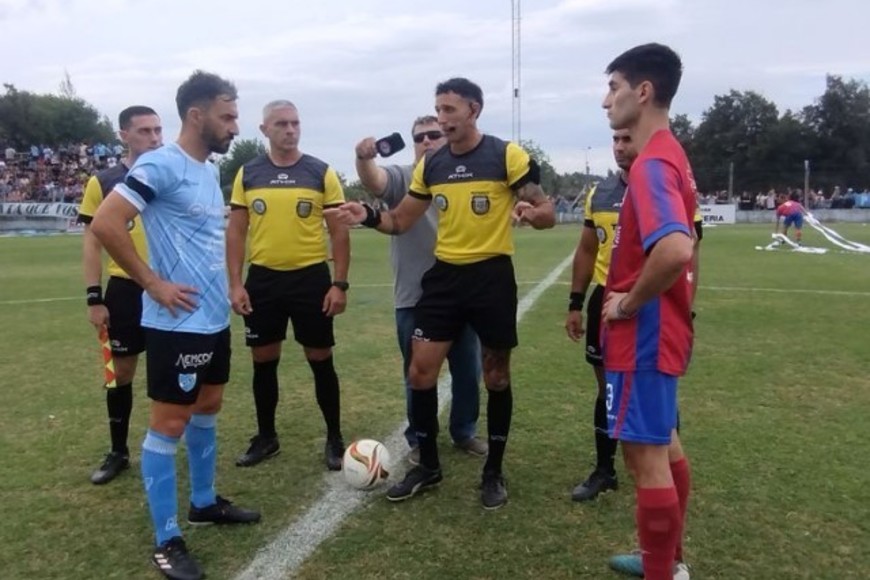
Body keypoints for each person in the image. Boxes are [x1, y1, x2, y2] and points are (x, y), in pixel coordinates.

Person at [327, 77, 555, 510]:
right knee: (420, 372)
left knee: (496, 376)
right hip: (444, 278)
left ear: (474, 109)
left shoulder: (506, 155)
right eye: (439, 109)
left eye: (450, 110)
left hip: (491, 276)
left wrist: (531, 212)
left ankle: (493, 472)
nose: (443, 119)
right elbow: (400, 221)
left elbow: (543, 211)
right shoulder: (432, 166)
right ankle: (428, 466)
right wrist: (368, 215)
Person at [91, 70, 260, 580]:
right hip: (175, 325)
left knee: (208, 406)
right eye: (227, 116)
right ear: (197, 114)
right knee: (168, 426)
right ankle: (166, 539)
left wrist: (232, 287)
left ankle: (203, 502)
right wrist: (152, 283)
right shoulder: (161, 164)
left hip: (212, 320)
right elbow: (104, 222)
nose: (234, 126)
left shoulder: (207, 171)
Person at [599, 44, 697, 580]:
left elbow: (677, 248)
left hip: (643, 335)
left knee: (645, 460)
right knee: (665, 444)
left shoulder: (652, 164)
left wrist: (628, 303)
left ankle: (662, 569)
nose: (605, 100)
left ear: (642, 92)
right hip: (664, 331)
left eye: (612, 87)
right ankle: (668, 559)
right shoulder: (670, 152)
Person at [566, 130, 703, 503]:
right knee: (606, 390)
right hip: (604, 300)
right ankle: (604, 469)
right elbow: (586, 249)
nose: (620, 146)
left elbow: (687, 250)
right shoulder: (601, 194)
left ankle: (658, 467)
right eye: (615, 140)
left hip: (647, 305)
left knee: (655, 400)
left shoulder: (661, 180)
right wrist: (576, 302)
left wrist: (684, 302)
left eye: (627, 138)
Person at [354, 116, 488, 465]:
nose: (427, 141)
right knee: (415, 372)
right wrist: (364, 158)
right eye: (419, 137)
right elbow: (375, 180)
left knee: (468, 370)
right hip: (414, 294)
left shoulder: (464, 176)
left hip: (464, 292)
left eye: (435, 135)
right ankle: (419, 436)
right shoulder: (403, 177)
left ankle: (464, 431)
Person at [228, 100, 350, 471]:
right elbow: (236, 231)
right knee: (263, 361)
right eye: (281, 123)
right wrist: (235, 284)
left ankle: (334, 437)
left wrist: (339, 284)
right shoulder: (247, 173)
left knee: (320, 360)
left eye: (295, 122)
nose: (290, 129)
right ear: (264, 129)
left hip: (311, 279)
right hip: (263, 280)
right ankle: (267, 437)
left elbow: (340, 233)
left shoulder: (320, 172)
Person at [78, 105, 163, 485]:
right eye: (144, 131)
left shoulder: (173, 173)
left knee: (174, 367)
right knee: (120, 373)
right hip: (126, 289)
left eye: (158, 130)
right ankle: (118, 451)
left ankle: (168, 444)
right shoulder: (104, 182)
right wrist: (95, 298)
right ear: (123, 136)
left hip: (170, 286)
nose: (155, 138)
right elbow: (92, 243)